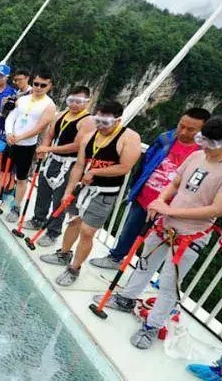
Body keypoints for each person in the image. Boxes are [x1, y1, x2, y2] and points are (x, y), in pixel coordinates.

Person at [95, 116, 222, 350]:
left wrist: (169, 208)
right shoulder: (196, 156)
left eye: (211, 143)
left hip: (190, 236)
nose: (204, 146)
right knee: (144, 264)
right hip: (163, 223)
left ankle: (152, 326)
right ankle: (126, 298)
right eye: (202, 139)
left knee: (169, 283)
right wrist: (160, 201)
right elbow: (175, 184)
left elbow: (216, 209)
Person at [89, 107, 211, 269]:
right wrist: (135, 186)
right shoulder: (165, 139)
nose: (183, 131)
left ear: (203, 129)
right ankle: (116, 258)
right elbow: (146, 162)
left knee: (156, 242)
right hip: (145, 195)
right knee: (130, 230)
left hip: (172, 207)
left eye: (191, 129)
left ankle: (141, 271)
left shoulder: (205, 152)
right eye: (181, 125)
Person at [40, 101, 141, 286]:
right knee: (73, 222)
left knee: (87, 231)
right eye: (98, 121)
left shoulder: (129, 138)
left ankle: (75, 268)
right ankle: (64, 253)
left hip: (104, 192)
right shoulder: (89, 137)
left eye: (105, 122)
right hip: (82, 188)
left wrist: (95, 172)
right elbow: (79, 165)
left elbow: (125, 167)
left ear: (117, 120)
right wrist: (68, 191)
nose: (101, 126)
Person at [24, 86, 95, 246]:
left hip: (70, 163)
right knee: (42, 189)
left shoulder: (88, 121)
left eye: (79, 101)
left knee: (60, 198)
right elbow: (50, 134)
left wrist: (48, 148)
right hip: (52, 159)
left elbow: (76, 146)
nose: (74, 105)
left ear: (87, 102)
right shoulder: (62, 114)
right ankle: (38, 218)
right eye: (71, 101)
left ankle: (53, 232)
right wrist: (44, 149)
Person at [3, 71, 57, 222]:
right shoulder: (23, 99)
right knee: (5, 171)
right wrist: (9, 133)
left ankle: (16, 207)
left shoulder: (49, 105)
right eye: (36, 84)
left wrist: (19, 137)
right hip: (12, 141)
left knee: (21, 178)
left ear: (49, 86)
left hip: (27, 146)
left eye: (43, 85)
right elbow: (12, 116)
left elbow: (39, 128)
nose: (38, 87)